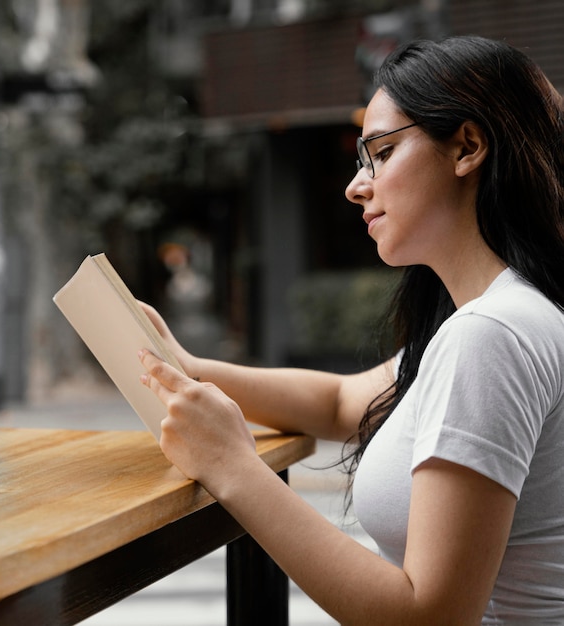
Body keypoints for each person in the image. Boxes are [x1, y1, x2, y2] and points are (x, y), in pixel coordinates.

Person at [137, 35, 564, 624]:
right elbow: (342, 400)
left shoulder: (491, 334)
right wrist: (183, 369)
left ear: (467, 147)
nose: (356, 185)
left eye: (382, 153)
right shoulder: (500, 316)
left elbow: (430, 617)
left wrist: (233, 468)